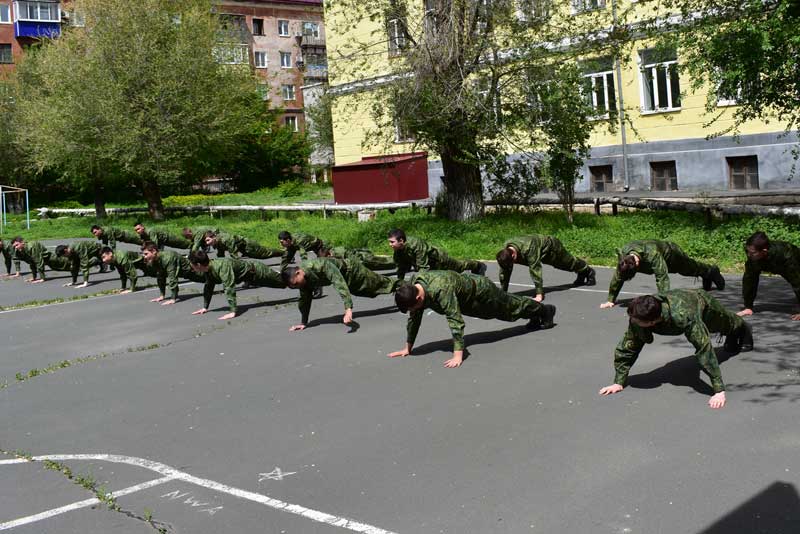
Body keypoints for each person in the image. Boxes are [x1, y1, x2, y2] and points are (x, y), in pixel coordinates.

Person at [598, 289, 753, 409]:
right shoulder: (638, 314)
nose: (632, 321)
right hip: (676, 302)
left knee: (728, 323)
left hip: (702, 303)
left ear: (652, 322)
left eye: (636, 320)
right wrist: (618, 381)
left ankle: (743, 328)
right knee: (634, 338)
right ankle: (734, 335)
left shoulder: (684, 316)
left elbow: (703, 348)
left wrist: (718, 390)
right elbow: (628, 347)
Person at [390, 271, 556, 368]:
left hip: (482, 293)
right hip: (468, 300)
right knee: (509, 312)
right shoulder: (411, 287)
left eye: (413, 307)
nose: (413, 312)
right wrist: (407, 348)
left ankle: (545, 310)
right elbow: (414, 318)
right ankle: (536, 314)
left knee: (510, 309)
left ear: (418, 298)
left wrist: (457, 355)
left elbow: (455, 320)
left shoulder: (440, 290)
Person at [600, 240, 725, 308]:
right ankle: (706, 274)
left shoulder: (652, 255)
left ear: (637, 265)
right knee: (691, 270)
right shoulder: (624, 258)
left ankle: (711, 271)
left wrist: (662, 301)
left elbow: (662, 278)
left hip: (672, 255)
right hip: (660, 258)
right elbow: (618, 277)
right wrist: (611, 299)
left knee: (689, 269)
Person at [282, 257, 395, 331]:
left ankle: (407, 286)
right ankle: (402, 288)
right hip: (347, 280)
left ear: (298, 273)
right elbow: (304, 300)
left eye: (296, 284)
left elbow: (338, 283)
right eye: (294, 287)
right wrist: (303, 322)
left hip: (353, 271)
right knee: (370, 292)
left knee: (380, 284)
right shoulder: (302, 281)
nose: (298, 287)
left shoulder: (320, 265)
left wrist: (348, 308)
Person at [188, 250, 286, 320]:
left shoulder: (222, 266)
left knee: (286, 282)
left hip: (258, 271)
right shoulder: (208, 269)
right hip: (252, 279)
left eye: (191, 264)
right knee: (283, 285)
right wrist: (205, 307)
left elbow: (229, 287)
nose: (191, 266)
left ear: (198, 265)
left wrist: (233, 311)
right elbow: (209, 287)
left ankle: (300, 274)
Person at [496, 235, 596, 300]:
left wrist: (539, 294)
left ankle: (588, 270)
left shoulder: (528, 248)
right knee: (567, 266)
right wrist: (503, 293)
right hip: (540, 251)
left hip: (551, 248)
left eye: (513, 262)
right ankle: (582, 273)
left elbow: (535, 270)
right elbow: (504, 271)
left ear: (513, 254)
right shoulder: (506, 252)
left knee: (568, 264)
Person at [738, 231, 800, 321]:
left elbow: (798, 283)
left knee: (795, 281)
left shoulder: (787, 255)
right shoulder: (753, 256)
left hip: (792, 263)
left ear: (764, 251)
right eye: (747, 251)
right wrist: (748, 306)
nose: (748, 255)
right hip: (777, 265)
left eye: (752, 253)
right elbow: (749, 280)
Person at [388, 228, 487, 281]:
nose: (390, 245)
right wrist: (399, 283)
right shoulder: (398, 251)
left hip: (439, 260)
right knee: (441, 279)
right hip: (431, 266)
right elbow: (401, 268)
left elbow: (423, 267)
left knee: (459, 267)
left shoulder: (416, 244)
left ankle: (478, 265)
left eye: (392, 242)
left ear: (401, 240)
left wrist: (418, 285)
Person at [204, 230, 282, 260]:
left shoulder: (226, 239)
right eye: (206, 241)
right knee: (264, 254)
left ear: (213, 237)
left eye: (208, 240)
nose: (207, 243)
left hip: (249, 246)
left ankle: (283, 252)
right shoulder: (217, 241)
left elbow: (234, 255)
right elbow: (221, 255)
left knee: (265, 254)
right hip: (242, 248)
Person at [317, 244, 396, 271]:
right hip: (360, 259)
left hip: (363, 259)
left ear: (329, 254)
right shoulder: (333, 254)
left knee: (385, 263)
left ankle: (401, 261)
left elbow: (353, 258)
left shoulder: (339, 252)